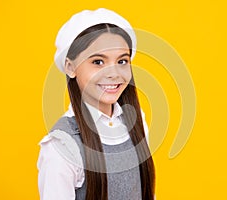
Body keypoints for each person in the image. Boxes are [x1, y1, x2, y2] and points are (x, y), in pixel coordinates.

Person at [37, 8, 155, 200]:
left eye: (122, 61)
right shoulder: (62, 145)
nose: (113, 73)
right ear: (70, 67)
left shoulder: (136, 120)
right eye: (98, 61)